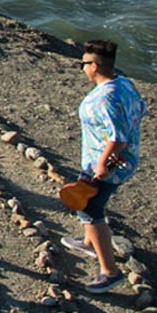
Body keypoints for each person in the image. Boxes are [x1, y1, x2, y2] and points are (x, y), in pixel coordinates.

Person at [60, 39, 145, 293]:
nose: (82, 68)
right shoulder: (125, 84)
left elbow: (117, 137)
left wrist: (102, 165)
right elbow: (140, 110)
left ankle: (110, 272)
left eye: (83, 64)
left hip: (105, 164)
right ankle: (88, 242)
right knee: (91, 206)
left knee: (90, 210)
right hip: (125, 160)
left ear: (94, 66)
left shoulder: (104, 99)